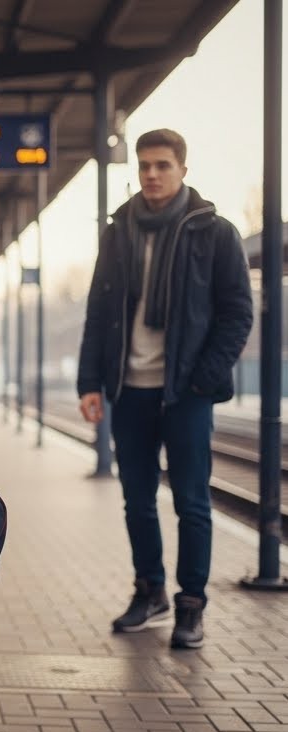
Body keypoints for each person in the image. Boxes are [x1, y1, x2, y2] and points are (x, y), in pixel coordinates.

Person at [77, 128, 252, 649]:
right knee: (137, 500)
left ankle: (191, 605)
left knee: (192, 503)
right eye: (145, 165)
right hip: (130, 389)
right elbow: (99, 310)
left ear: (182, 170)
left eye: (162, 165)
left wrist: (201, 377)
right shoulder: (119, 231)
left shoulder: (214, 232)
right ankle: (149, 590)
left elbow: (237, 314)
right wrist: (90, 381)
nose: (151, 174)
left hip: (186, 393)